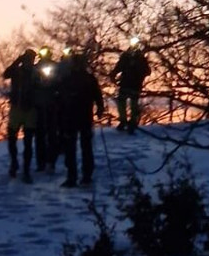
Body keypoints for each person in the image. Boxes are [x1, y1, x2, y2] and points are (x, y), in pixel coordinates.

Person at [57, 52, 105, 187]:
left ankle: (79, 176)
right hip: (77, 117)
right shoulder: (86, 79)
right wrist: (100, 109)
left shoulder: (74, 79)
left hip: (77, 117)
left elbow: (97, 96)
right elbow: (98, 96)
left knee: (78, 148)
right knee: (80, 148)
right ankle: (81, 176)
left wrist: (100, 108)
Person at [2, 49, 38, 183]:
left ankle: (26, 170)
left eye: (32, 59)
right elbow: (5, 74)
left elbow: (45, 84)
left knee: (28, 142)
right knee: (12, 138)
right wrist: (17, 61)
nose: (30, 61)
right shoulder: (17, 71)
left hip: (30, 110)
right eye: (28, 58)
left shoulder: (36, 72)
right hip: (16, 108)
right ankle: (14, 163)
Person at [111, 40, 151, 133]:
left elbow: (148, 71)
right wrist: (113, 75)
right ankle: (123, 121)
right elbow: (118, 67)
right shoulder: (125, 57)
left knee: (134, 104)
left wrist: (140, 74)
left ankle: (132, 123)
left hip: (135, 85)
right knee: (121, 102)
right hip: (125, 83)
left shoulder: (141, 58)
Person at [33, 48, 61, 174]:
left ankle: (51, 162)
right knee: (39, 136)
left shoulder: (56, 67)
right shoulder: (35, 69)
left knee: (52, 135)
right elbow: (31, 84)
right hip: (38, 105)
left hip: (52, 105)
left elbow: (60, 82)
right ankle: (41, 163)